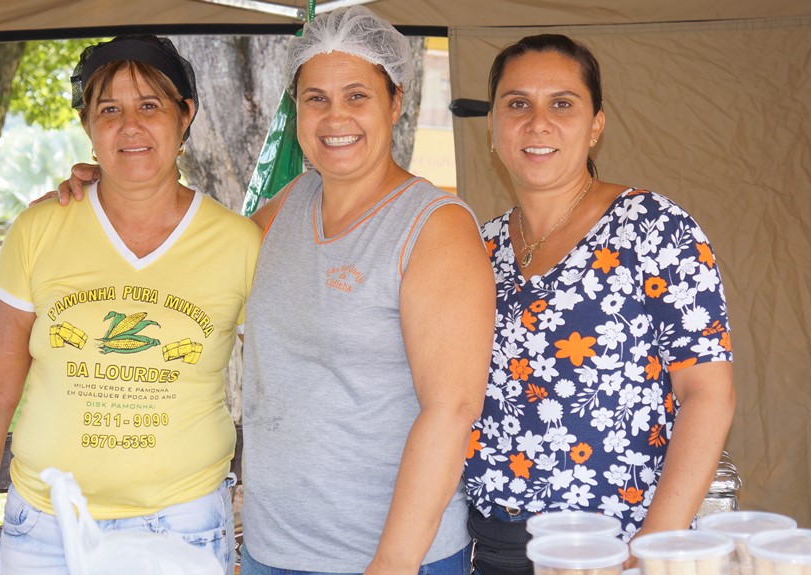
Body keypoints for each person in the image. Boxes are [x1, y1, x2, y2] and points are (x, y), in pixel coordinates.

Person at [52, 8, 495, 574]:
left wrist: (394, 562)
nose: (335, 117)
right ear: (296, 108)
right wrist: (116, 188)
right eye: (316, 98)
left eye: (357, 96)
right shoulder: (292, 203)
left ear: (395, 102)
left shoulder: (434, 226)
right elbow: (189, 256)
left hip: (386, 556)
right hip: (272, 549)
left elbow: (452, 409)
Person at [0, 35, 260, 575]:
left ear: (185, 116)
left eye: (150, 106)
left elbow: (286, 380)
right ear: (87, 125)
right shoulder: (39, 230)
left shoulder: (239, 243)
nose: (130, 126)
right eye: (109, 110)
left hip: (181, 528)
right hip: (44, 531)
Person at [464, 33, 736, 574]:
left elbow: (708, 393)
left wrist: (651, 546)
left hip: (615, 546)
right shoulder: (478, 247)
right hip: (490, 544)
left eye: (562, 104)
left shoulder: (653, 227)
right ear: (492, 126)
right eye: (517, 104)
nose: (538, 123)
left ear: (596, 126)